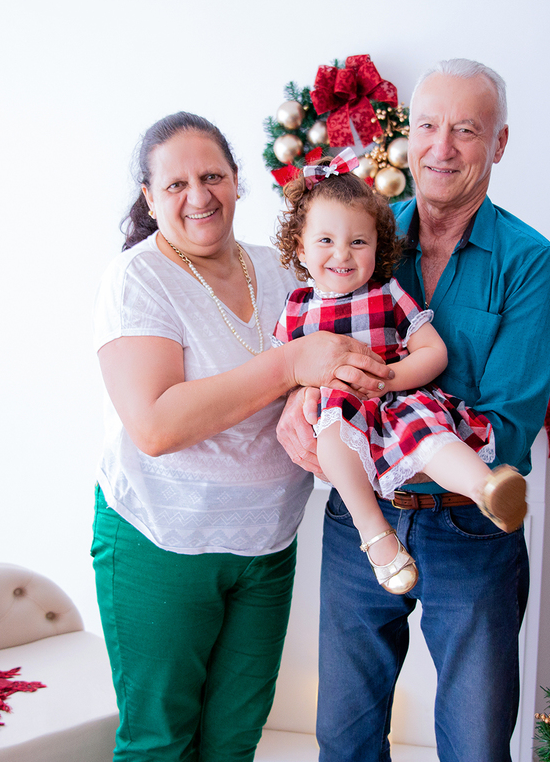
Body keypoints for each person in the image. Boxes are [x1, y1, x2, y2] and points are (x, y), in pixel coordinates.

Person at [277, 60, 550, 761]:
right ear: (409, 135)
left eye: (466, 130)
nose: (442, 148)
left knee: (474, 744)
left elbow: (508, 421)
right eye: (429, 126)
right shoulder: (362, 237)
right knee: (343, 737)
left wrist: (381, 404)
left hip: (468, 528)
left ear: (498, 145)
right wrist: (299, 395)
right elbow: (311, 336)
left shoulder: (531, 263)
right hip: (360, 522)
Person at [92, 111, 392, 762]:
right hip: (161, 541)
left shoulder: (282, 270)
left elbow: (325, 364)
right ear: (148, 198)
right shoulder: (140, 278)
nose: (198, 196)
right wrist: (288, 367)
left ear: (236, 182)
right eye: (175, 185)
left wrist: (308, 402)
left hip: (265, 545)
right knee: (160, 744)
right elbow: (155, 425)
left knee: (234, 741)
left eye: (212, 176)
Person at [270, 151, 527, 597]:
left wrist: (386, 378)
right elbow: (279, 375)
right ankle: (377, 538)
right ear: (300, 247)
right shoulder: (297, 309)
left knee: (432, 438)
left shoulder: (387, 292)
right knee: (333, 440)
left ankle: (485, 489)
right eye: (325, 240)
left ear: (378, 245)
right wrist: (305, 390)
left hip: (398, 401)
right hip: (339, 412)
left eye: (358, 242)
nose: (342, 255)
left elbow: (434, 352)